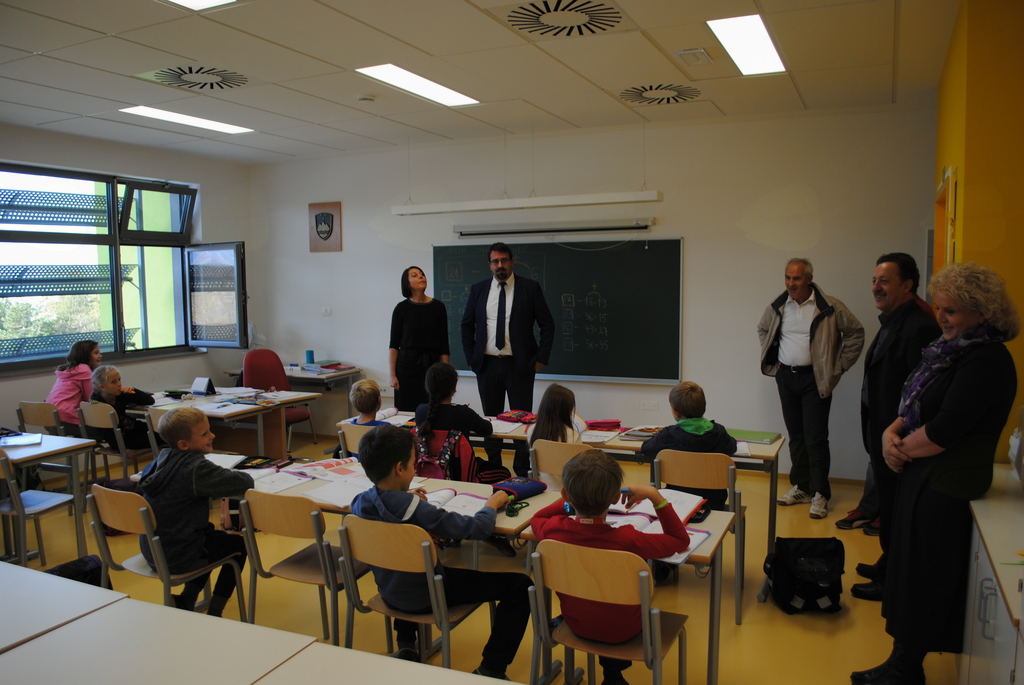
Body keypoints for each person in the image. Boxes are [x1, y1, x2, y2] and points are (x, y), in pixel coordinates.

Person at [852, 262, 1019, 685]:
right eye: (940, 307)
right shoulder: (949, 350)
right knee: (910, 571)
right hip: (924, 473)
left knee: (924, 577)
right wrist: (890, 433)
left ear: (981, 312)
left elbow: (945, 428)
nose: (941, 317)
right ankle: (901, 661)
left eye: (951, 310)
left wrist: (896, 450)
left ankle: (906, 669)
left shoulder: (986, 360)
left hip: (948, 483)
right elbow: (914, 404)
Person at [350, 425, 532, 678]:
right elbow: (478, 529)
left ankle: (407, 646)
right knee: (521, 586)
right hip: (429, 596)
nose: (415, 469)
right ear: (400, 468)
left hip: (389, 592)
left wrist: (404, 495)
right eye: (413, 464)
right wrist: (492, 504)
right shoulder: (417, 509)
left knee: (402, 562)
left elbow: (386, 504)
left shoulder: (358, 504)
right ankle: (491, 669)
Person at [531, 449, 690, 685]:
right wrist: (654, 496)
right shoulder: (628, 540)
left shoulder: (554, 531)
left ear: (565, 494)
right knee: (614, 609)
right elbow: (680, 540)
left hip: (576, 624)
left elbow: (537, 518)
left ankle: (612, 675)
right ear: (616, 497)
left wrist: (568, 504)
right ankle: (612, 676)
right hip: (626, 632)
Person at [844, 253, 940, 603]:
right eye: (874, 280)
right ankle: (887, 564)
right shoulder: (892, 320)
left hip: (898, 440)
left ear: (907, 285)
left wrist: (898, 436)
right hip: (882, 432)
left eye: (884, 281)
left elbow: (920, 395)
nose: (876, 287)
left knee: (897, 513)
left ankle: (891, 582)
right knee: (888, 506)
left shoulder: (920, 326)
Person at [757, 257, 864, 519]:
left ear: (809, 279)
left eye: (796, 278)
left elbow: (856, 333)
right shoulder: (779, 305)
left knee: (815, 438)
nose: (791, 283)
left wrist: (839, 366)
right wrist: (773, 355)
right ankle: (802, 487)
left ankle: (820, 493)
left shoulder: (829, 306)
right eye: (787, 277)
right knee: (796, 435)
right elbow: (763, 329)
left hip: (815, 380)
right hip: (786, 378)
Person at [138, 408, 254, 616]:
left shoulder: (159, 461)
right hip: (179, 556)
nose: (212, 436)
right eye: (204, 434)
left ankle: (186, 600)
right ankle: (215, 611)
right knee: (239, 545)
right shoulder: (195, 468)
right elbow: (243, 482)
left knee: (209, 538)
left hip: (154, 552)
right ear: (184, 445)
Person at [461, 242, 554, 476]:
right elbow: (466, 325)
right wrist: (472, 358)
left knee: (521, 422)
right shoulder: (479, 289)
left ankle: (522, 472)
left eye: (504, 260)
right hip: (487, 365)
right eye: (495, 261)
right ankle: (495, 469)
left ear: (512, 261)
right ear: (490, 264)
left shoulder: (529, 288)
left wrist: (540, 359)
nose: (500, 265)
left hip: (520, 366)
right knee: (491, 422)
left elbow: (547, 324)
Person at [639, 380, 738, 511]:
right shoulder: (719, 432)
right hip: (714, 503)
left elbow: (646, 448)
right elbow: (732, 447)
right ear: (704, 407)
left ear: (675, 411)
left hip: (677, 502)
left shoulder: (668, 435)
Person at [389, 266, 450, 412]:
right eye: (415, 275)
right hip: (406, 368)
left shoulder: (438, 307)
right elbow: (394, 345)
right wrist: (392, 375)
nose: (421, 277)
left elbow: (444, 344)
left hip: (432, 367)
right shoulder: (401, 308)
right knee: (406, 412)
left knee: (433, 410)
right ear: (407, 283)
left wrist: (446, 373)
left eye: (422, 274)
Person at [90, 365, 155, 449]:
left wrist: (134, 390)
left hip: (132, 429)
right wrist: (122, 449)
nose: (119, 384)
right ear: (103, 387)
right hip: (123, 440)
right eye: (114, 382)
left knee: (162, 431)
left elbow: (150, 401)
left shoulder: (121, 395)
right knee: (160, 437)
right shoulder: (99, 405)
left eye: (119, 380)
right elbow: (107, 433)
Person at [45, 340, 103, 434]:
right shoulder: (84, 370)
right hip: (65, 419)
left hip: (49, 417)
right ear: (85, 356)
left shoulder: (67, 371)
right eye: (96, 353)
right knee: (105, 431)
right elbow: (91, 399)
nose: (100, 356)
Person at [332, 379, 391, 459]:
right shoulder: (385, 428)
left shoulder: (349, 427)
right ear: (379, 400)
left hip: (356, 465)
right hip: (379, 466)